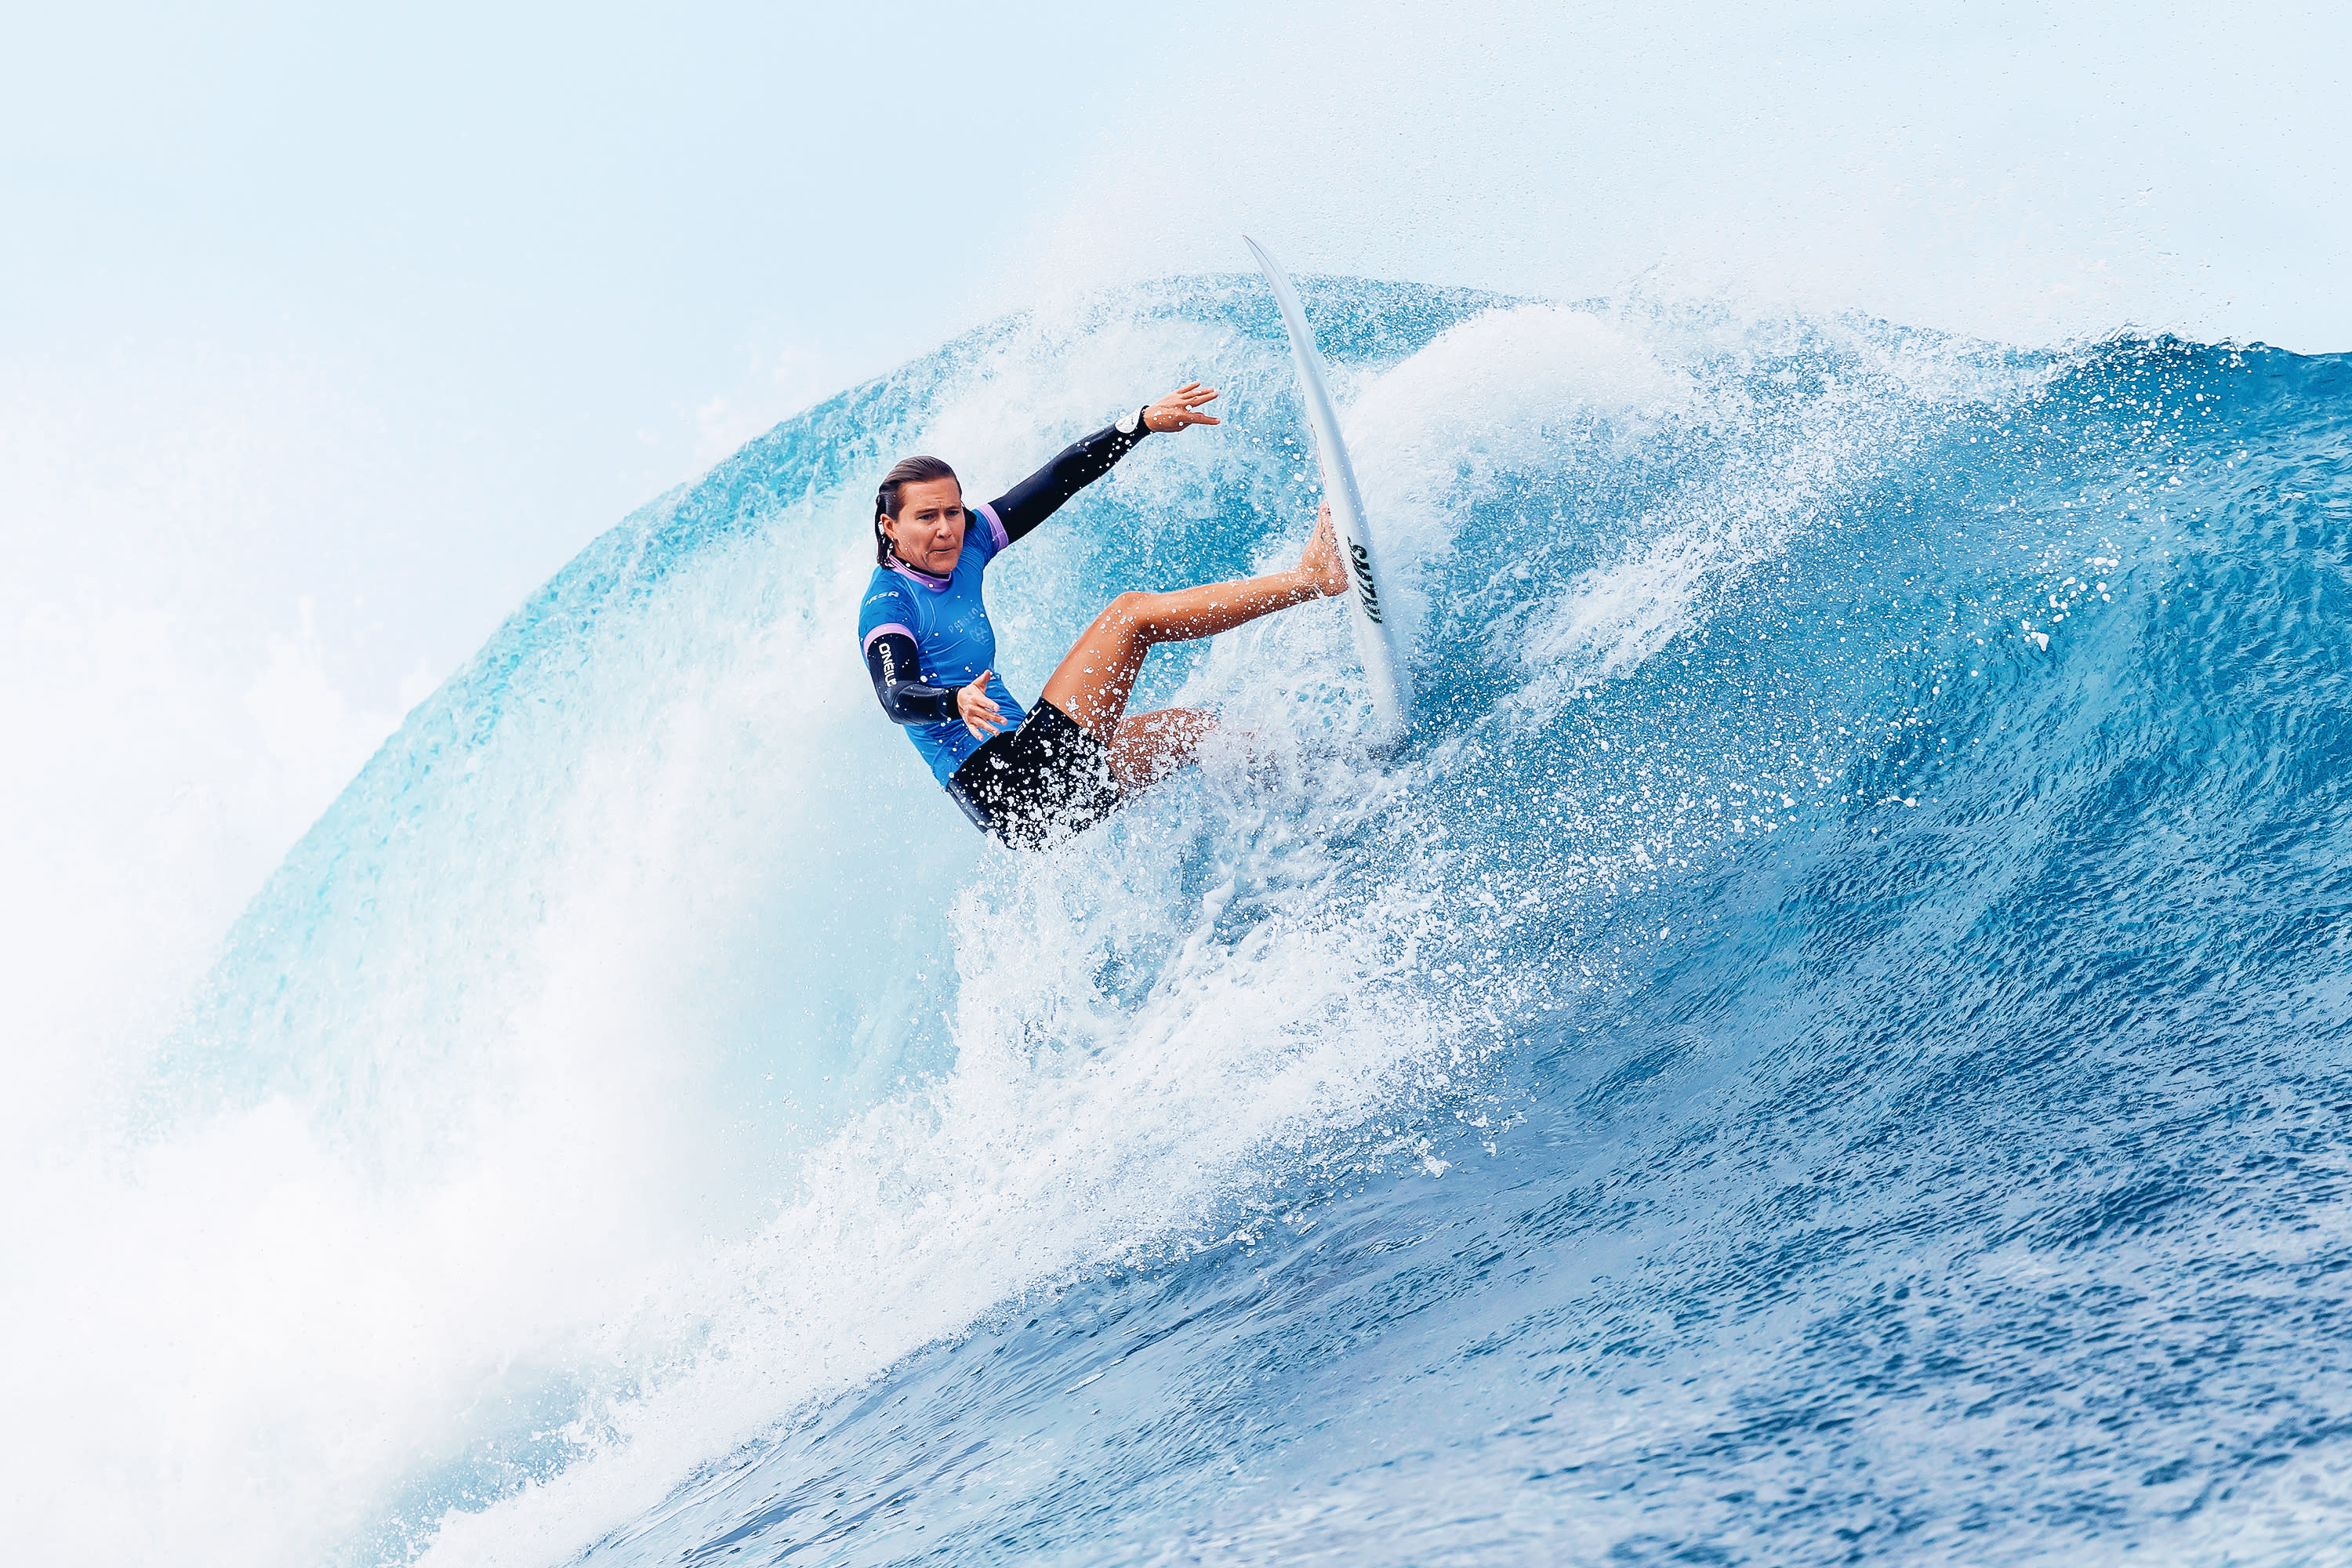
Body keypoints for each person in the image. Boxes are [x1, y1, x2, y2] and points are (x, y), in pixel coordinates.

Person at [858, 381, 1348, 848]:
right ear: (890, 526)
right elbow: (895, 696)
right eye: (926, 517)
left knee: (1189, 731)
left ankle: (1326, 777)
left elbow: (1056, 480)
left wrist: (1138, 424)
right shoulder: (890, 603)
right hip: (1011, 792)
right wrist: (953, 701)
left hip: (1034, 780)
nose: (947, 529)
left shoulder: (968, 542)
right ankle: (1312, 579)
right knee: (1130, 616)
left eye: (954, 511)